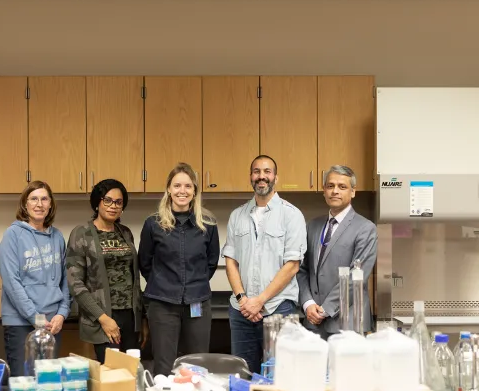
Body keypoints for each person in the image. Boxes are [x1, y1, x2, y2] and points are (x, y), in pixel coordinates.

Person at [222, 155, 307, 374]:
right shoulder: (237, 216)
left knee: (279, 376)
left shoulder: (292, 215)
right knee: (242, 376)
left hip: (278, 309)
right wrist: (243, 300)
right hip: (241, 311)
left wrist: (259, 301)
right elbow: (231, 260)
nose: (262, 176)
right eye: (256, 171)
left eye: (267, 171)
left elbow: (292, 266)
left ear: (275, 177)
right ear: (251, 177)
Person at [139, 163, 220, 376]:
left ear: (194, 191)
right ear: (168, 189)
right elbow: (145, 263)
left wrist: (192, 284)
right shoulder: (153, 224)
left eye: (187, 186)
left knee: (198, 365)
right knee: (164, 366)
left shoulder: (208, 225)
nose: (182, 191)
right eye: (176, 186)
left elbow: (211, 263)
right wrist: (166, 284)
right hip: (162, 304)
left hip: (197, 303)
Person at [66, 179, 147, 364]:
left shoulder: (125, 233)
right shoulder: (82, 234)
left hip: (131, 317)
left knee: (133, 373)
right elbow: (75, 283)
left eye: (118, 202)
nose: (113, 206)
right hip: (104, 316)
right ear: (97, 203)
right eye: (108, 200)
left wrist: (142, 319)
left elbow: (133, 278)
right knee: (112, 374)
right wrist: (103, 319)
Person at [0, 181, 70, 376]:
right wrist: (36, 318)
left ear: (50, 205)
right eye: (34, 199)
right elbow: (12, 282)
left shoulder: (57, 237)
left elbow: (65, 280)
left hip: (53, 323)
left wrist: (62, 314)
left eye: (44, 199)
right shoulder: (12, 235)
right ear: (25, 204)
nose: (39, 204)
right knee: (25, 384)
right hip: (21, 323)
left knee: (48, 383)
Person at [298, 165, 378, 339]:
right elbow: (302, 269)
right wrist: (308, 303)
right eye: (330, 186)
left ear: (353, 192)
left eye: (342, 187)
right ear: (324, 191)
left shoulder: (365, 228)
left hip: (348, 324)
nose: (335, 191)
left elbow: (357, 276)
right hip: (313, 323)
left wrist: (326, 309)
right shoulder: (313, 226)